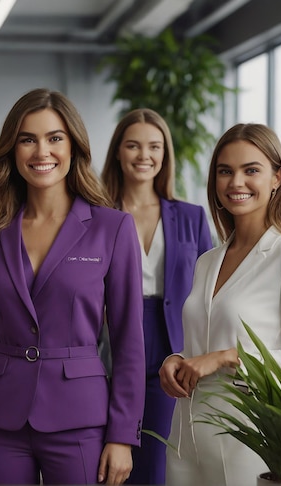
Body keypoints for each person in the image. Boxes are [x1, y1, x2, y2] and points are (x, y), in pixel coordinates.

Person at [0, 88, 145, 485]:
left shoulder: (114, 228)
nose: (42, 152)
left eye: (55, 138)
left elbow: (129, 343)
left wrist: (123, 435)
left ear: (73, 147)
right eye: (28, 139)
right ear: (12, 150)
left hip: (81, 419)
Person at [159, 123, 281, 486]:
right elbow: (199, 344)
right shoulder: (207, 261)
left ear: (276, 179)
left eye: (251, 170)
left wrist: (227, 357)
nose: (236, 182)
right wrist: (176, 361)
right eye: (225, 171)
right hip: (186, 436)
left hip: (248, 440)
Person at [101, 108, 213, 485]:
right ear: (118, 151)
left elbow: (209, 291)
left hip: (172, 352)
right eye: (132, 145)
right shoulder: (94, 214)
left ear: (165, 154)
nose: (143, 155)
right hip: (109, 348)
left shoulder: (191, 216)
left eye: (154, 146)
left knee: (157, 466)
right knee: (108, 462)